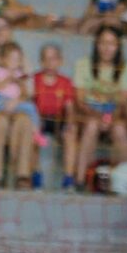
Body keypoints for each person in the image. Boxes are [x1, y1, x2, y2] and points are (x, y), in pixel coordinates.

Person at [73, 25, 127, 190]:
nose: (107, 48)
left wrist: (109, 118)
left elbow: (122, 101)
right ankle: (80, 180)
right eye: (103, 43)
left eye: (111, 43)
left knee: (120, 129)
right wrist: (100, 117)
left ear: (118, 46)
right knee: (92, 125)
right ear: (96, 44)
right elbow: (80, 101)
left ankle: (125, 182)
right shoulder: (83, 64)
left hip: (115, 115)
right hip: (89, 114)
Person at [32, 44, 78, 189]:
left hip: (59, 119)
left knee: (71, 134)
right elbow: (30, 103)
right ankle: (36, 174)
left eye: (53, 58)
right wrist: (35, 122)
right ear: (41, 61)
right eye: (46, 59)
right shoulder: (35, 79)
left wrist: (69, 123)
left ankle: (68, 178)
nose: (50, 62)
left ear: (60, 61)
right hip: (39, 118)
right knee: (32, 133)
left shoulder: (66, 82)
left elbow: (69, 107)